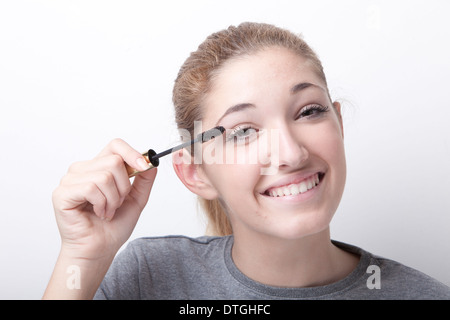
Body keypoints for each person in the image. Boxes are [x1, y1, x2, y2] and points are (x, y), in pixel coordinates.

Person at [43, 22, 450, 299]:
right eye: (243, 132)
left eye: (308, 111)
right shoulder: (150, 276)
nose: (291, 153)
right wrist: (82, 257)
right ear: (194, 172)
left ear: (338, 122)